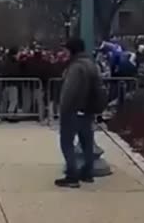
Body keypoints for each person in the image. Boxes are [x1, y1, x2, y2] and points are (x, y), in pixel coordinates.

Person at [56, 38, 100, 188]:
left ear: (72, 50)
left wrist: (63, 109)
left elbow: (69, 92)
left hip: (73, 110)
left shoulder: (76, 67)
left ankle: (72, 176)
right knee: (86, 142)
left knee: (66, 143)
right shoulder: (91, 64)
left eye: (66, 49)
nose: (64, 52)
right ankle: (87, 172)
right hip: (88, 110)